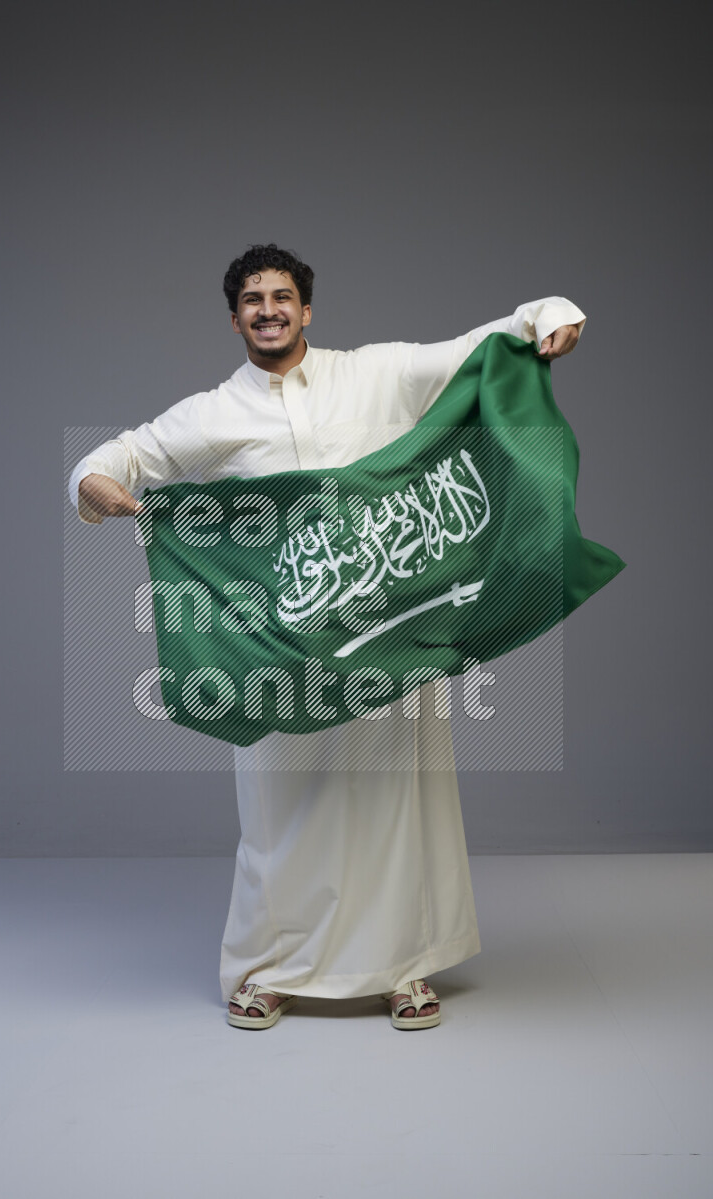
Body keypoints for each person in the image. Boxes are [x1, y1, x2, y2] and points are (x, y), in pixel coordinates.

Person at [68, 244, 585, 1030]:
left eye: (282, 296)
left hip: (388, 630)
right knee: (279, 809)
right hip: (279, 642)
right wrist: (95, 486)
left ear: (307, 309)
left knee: (397, 802)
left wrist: (548, 315)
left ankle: (404, 968)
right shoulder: (213, 411)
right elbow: (120, 456)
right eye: (252, 299)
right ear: (235, 316)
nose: (267, 309)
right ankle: (267, 969)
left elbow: (485, 346)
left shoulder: (377, 372)